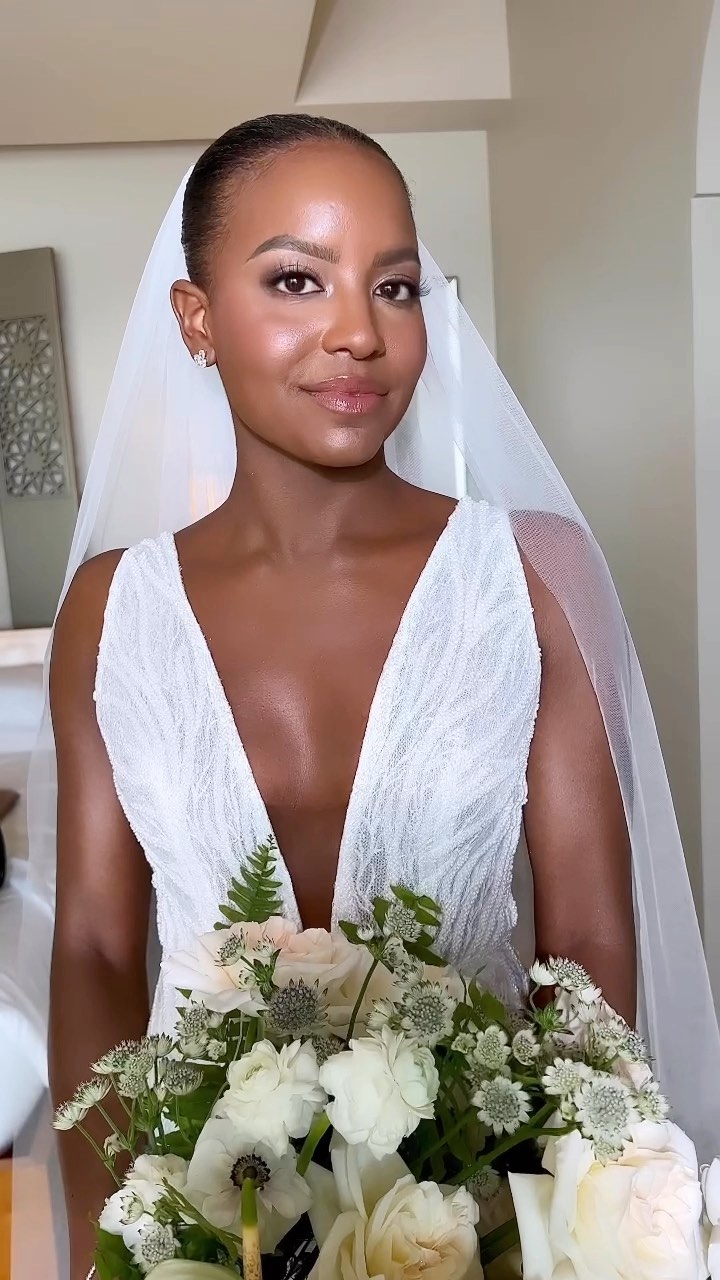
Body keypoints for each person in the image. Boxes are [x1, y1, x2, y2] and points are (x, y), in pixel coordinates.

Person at [16, 115, 719, 1279]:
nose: (359, 331)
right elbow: (93, 940)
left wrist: (557, 1224)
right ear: (197, 318)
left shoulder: (535, 576)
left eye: (394, 287)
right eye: (297, 279)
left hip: (472, 1213)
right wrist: (123, 1233)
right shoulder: (112, 608)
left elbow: (589, 936)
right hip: (199, 1215)